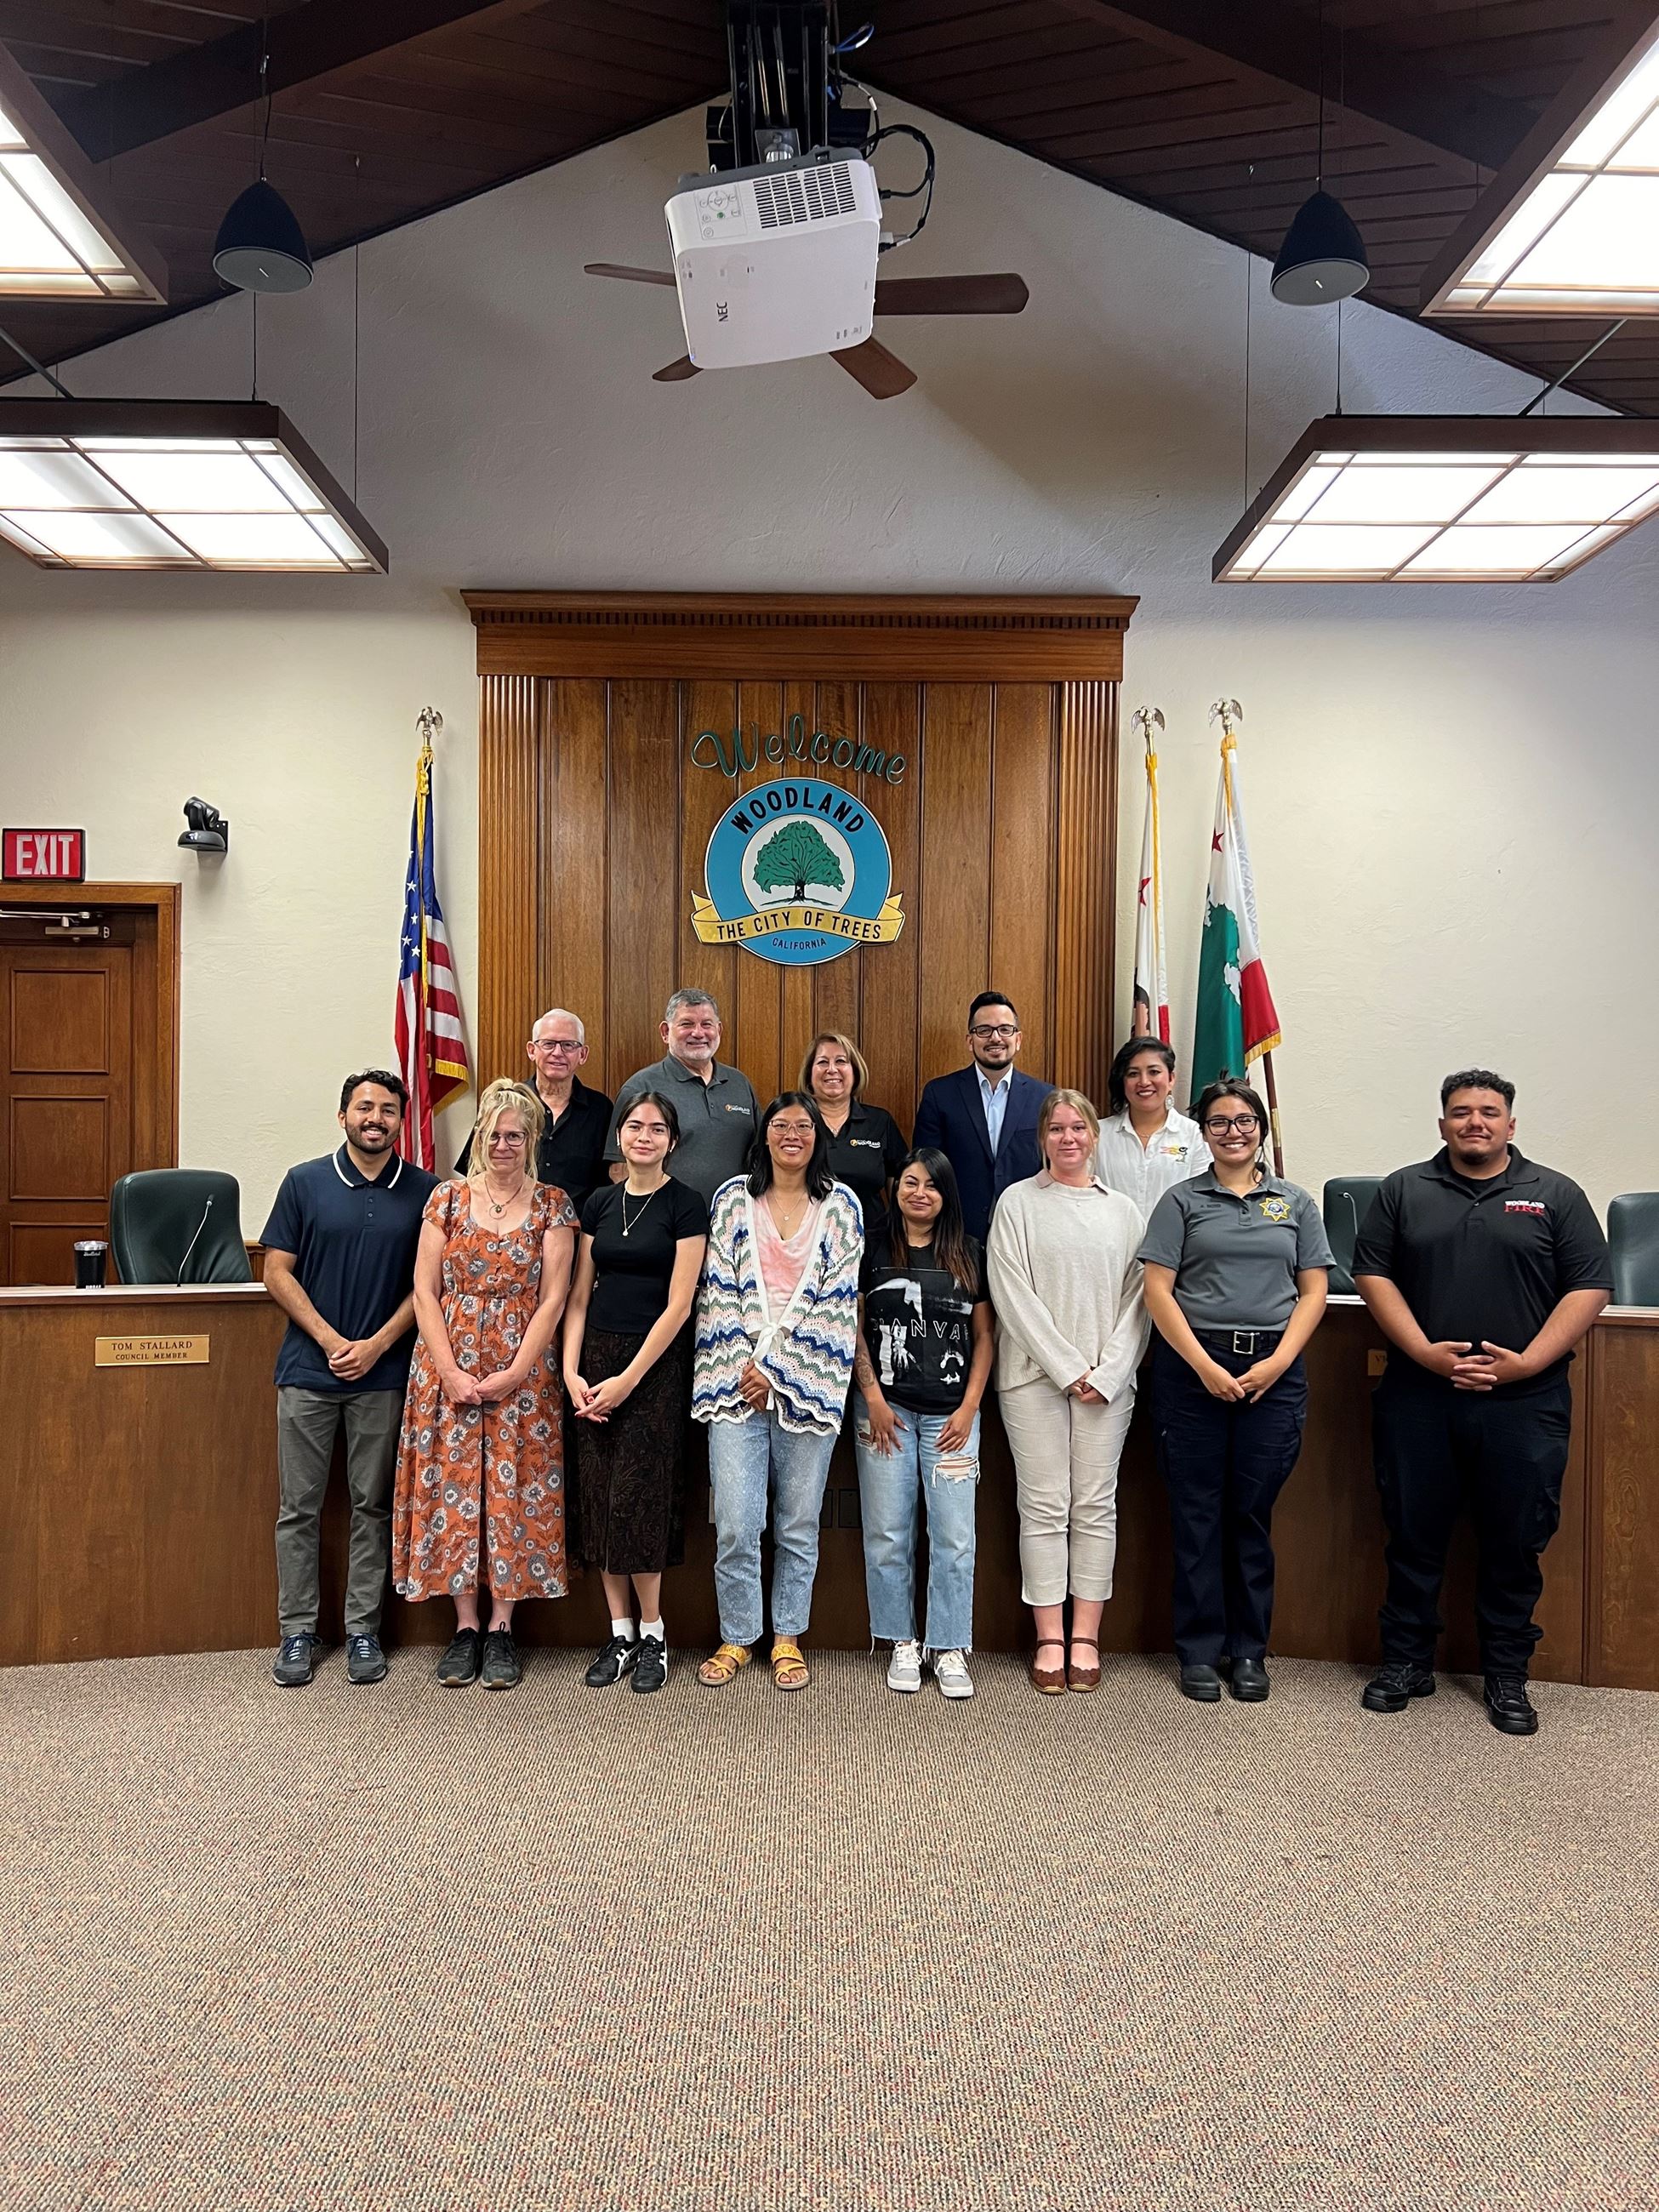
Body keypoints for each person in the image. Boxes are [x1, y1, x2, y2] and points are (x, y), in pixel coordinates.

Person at [1353, 1068, 1611, 1737]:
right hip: (1419, 1396)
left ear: (1510, 1124)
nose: (1476, 1121)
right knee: (1411, 1534)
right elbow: (1372, 1275)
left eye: (1489, 1112)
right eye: (1461, 1111)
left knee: (1515, 1540)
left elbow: (1590, 1286)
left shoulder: (1554, 1193)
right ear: (1442, 1123)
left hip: (1525, 1401)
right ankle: (1406, 1662)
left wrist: (1527, 1362)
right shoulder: (1403, 1189)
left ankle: (1506, 1674)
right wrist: (1422, 1352)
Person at [1139, 1080, 1332, 1706]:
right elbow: (1157, 1292)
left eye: (1244, 1120)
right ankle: (1197, 1650)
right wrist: (1201, 1365)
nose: (1233, 1131)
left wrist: (1278, 1362)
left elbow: (1312, 1291)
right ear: (1203, 1132)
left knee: (1250, 1512)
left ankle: (1248, 1651)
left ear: (1261, 1128)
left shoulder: (1295, 1203)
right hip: (1193, 1368)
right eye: (1219, 1122)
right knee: (1196, 1512)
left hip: (1272, 1371)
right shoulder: (1181, 1201)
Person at [392, 1079, 576, 1690]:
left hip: (522, 1372)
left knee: (513, 1491)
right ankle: (465, 1625)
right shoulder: (445, 1199)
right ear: (479, 1138)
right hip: (446, 1367)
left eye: (514, 1136)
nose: (502, 1145)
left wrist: (517, 1371)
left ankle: (501, 1628)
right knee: (454, 1489)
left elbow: (554, 1298)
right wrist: (448, 1368)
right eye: (493, 1134)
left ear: (530, 1142)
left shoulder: (553, 1203)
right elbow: (424, 1290)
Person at [261, 1070, 438, 1687]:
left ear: (400, 1122)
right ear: (343, 1116)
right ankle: (297, 1634)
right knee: (298, 1509)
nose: (376, 1118)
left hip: (384, 1375)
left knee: (373, 1506)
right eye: (365, 1107)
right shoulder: (304, 1182)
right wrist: (334, 1341)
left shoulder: (426, 1191)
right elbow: (277, 1272)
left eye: (388, 1110)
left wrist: (377, 1344)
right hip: (308, 1372)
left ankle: (364, 1631)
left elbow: (430, 1286)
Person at [692, 1092, 864, 1692]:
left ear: (819, 1136)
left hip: (809, 1387)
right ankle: (738, 1635)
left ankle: (787, 1634)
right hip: (735, 1385)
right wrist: (751, 1368)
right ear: (763, 1134)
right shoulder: (732, 1199)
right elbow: (718, 1290)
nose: (793, 1133)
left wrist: (779, 1370)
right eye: (781, 1124)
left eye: (804, 1125)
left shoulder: (843, 1206)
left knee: (798, 1523)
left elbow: (836, 1304)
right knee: (737, 1523)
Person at [986, 1090, 1149, 1694]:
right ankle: (1049, 1636)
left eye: (1078, 1126)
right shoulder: (1019, 1203)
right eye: (1056, 1128)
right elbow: (1011, 1293)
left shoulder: (1125, 1212)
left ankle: (1087, 1636)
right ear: (1042, 1138)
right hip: (1034, 1380)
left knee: (1095, 1506)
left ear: (1095, 1135)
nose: (1069, 1137)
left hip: (1107, 1386)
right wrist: (1064, 1367)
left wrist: (1104, 1374)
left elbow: (1142, 1303)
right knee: (1045, 1505)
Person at [562, 1092, 709, 1695]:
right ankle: (618, 1631)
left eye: (656, 1128)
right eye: (634, 1126)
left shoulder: (686, 1203)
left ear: (672, 1141)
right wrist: (571, 1371)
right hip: (594, 1360)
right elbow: (577, 1296)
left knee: (640, 1499)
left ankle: (654, 1633)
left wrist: (628, 1381)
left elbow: (680, 1305)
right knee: (600, 1495)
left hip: (654, 1369)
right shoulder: (599, 1202)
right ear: (619, 1136)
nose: (643, 1136)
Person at [852, 1148, 993, 1699]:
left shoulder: (968, 1253)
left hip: (953, 1417)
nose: (919, 1193)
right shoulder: (873, 1250)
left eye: (932, 1185)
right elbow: (854, 1326)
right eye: (910, 1182)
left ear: (945, 1194)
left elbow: (984, 1338)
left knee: (955, 1536)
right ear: (897, 1189)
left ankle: (950, 1645)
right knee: (888, 1533)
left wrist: (969, 1408)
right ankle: (902, 1643)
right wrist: (873, 1398)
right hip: (883, 1414)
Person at [913, 992, 1050, 1244]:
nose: (995, 1038)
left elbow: (1052, 1168)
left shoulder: (1046, 1098)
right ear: (970, 1040)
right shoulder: (939, 1094)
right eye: (984, 1030)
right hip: (956, 1236)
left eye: (1005, 1029)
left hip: (1027, 1234)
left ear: (1018, 1039)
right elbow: (926, 1167)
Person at [604, 988, 759, 1207]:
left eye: (707, 1024)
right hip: (669, 1227)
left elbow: (760, 1154)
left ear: (719, 1030)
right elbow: (619, 1169)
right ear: (665, 1032)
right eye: (687, 1024)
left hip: (735, 1224)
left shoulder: (739, 1084)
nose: (698, 1033)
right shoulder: (641, 1087)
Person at [456, 1006, 612, 1216]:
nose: (558, 1053)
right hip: (508, 1230)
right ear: (531, 1050)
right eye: (548, 1044)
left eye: (568, 1045)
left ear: (582, 1054)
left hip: (578, 1236)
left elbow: (608, 1184)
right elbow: (475, 1169)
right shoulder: (504, 1104)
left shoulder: (601, 1110)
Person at [801, 1029, 908, 1236]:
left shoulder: (879, 1122)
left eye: (841, 1061)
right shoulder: (794, 1123)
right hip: (806, 1244)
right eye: (822, 1062)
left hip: (870, 1243)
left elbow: (901, 1189)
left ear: (855, 1071)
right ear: (809, 1074)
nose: (832, 1069)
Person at [1095, 1035, 1205, 1222]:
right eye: (1133, 1074)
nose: (1144, 1082)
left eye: (1154, 1072)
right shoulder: (1098, 1134)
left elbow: (1201, 1201)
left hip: (1175, 1246)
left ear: (1171, 1079)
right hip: (1110, 1244)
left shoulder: (1193, 1134)